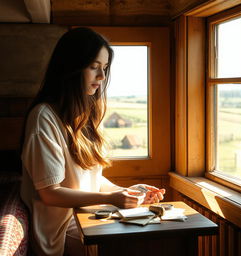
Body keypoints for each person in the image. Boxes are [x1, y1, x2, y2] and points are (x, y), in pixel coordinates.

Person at [20, 27, 165, 256]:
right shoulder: (43, 118)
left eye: (105, 68)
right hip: (59, 233)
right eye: (94, 67)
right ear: (71, 68)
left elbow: (89, 180)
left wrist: (128, 192)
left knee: (154, 235)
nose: (102, 77)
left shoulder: (85, 116)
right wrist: (111, 199)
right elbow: (50, 193)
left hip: (85, 217)